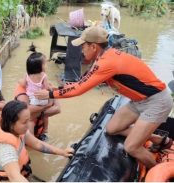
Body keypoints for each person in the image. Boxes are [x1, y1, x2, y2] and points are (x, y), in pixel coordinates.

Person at [34, 26, 173, 169]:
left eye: (83, 46)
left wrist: (51, 94)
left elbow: (79, 89)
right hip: (139, 101)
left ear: (93, 46)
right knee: (111, 129)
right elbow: (81, 82)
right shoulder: (105, 56)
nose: (81, 50)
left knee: (131, 147)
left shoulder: (106, 63)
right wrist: (57, 88)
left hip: (156, 101)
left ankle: (157, 171)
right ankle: (157, 139)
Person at [0, 100, 74, 182]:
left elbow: (37, 144)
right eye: (24, 122)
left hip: (22, 174)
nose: (28, 125)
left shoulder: (17, 130)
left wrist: (62, 152)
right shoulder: (5, 149)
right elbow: (15, 177)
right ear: (11, 124)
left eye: (29, 120)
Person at [18, 44, 60, 140]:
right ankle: (45, 130)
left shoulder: (27, 75)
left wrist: (19, 81)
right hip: (42, 99)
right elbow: (46, 88)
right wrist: (52, 89)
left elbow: (23, 84)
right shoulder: (43, 76)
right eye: (45, 63)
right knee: (45, 115)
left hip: (33, 99)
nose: (46, 65)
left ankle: (31, 138)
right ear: (39, 67)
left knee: (31, 119)